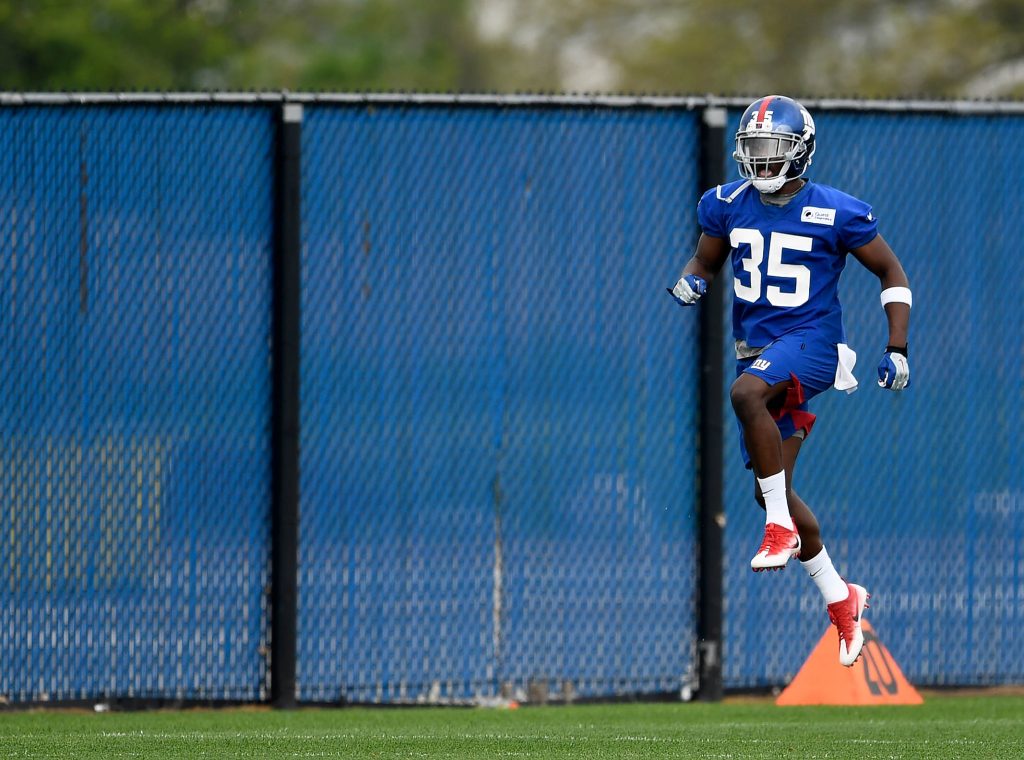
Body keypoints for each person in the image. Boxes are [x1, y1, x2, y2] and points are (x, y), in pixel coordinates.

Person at [669, 95, 911, 667]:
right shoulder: (726, 203)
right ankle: (841, 595)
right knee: (767, 487)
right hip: (759, 353)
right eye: (753, 148)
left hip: (812, 345)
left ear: (801, 151)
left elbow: (890, 270)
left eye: (772, 148)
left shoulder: (836, 210)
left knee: (744, 395)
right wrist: (692, 279)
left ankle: (779, 528)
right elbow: (705, 261)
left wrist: (897, 346)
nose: (760, 160)